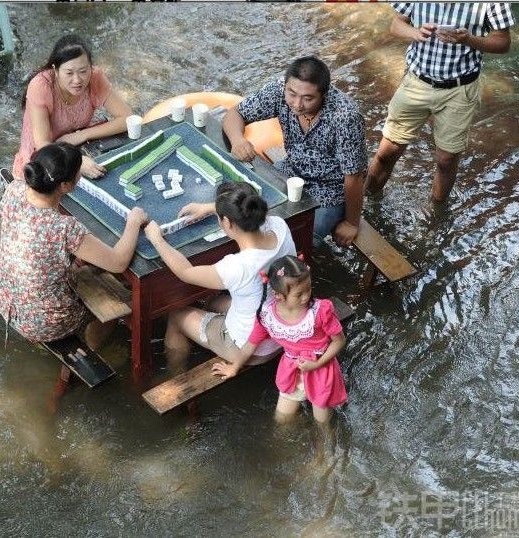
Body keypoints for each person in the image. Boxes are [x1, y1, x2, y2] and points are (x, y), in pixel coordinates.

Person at [0, 142, 147, 347]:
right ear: (65, 186)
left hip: (6, 297)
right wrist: (134, 222)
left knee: (83, 264)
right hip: (43, 322)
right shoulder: (64, 227)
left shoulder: (14, 189)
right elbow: (118, 262)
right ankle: (94, 347)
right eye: (77, 173)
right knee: (119, 307)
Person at [365, 3, 514, 202]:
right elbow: (396, 24)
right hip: (416, 83)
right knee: (387, 151)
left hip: (460, 89)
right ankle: (367, 200)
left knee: (446, 160)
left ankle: (435, 215)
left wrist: (469, 39)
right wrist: (416, 32)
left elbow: (503, 42)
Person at [223, 56, 368, 247]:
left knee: (298, 240)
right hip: (290, 170)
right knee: (243, 209)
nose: (297, 104)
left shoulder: (345, 117)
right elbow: (236, 113)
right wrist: (238, 140)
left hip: (330, 189)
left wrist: (351, 222)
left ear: (324, 94)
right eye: (292, 94)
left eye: (308, 98)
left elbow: (354, 177)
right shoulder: (279, 90)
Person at [144, 182, 295, 364]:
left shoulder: (237, 266)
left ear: (227, 222)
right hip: (283, 325)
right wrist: (211, 208)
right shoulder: (280, 226)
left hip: (251, 348)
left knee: (176, 316)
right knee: (212, 301)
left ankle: (174, 372)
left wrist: (157, 239)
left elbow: (185, 272)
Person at [212, 255, 347, 424]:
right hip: (292, 372)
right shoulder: (267, 316)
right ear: (278, 296)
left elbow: (339, 341)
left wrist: (317, 364)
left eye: (309, 289)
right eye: (299, 294)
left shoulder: (320, 311)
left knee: (323, 425)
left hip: (321, 370)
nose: (306, 297)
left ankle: (323, 451)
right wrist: (234, 367)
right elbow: (251, 344)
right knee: (282, 421)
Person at [13, 34, 133, 181]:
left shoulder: (95, 77)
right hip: (42, 159)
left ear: (90, 67)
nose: (77, 80)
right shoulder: (41, 86)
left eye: (83, 71)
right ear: (55, 71)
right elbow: (43, 146)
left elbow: (128, 118)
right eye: (69, 73)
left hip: (76, 146)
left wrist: (82, 135)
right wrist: (77, 163)